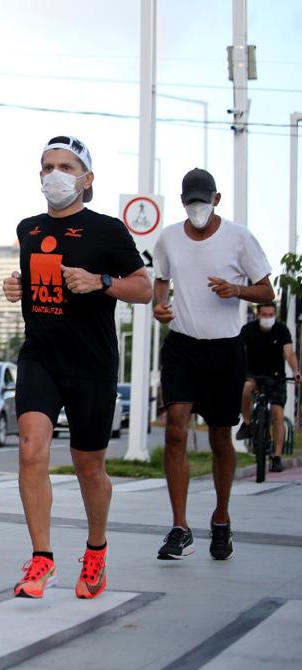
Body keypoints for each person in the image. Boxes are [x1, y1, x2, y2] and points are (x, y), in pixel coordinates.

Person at [3, 136, 151, 599]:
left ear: (87, 179)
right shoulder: (27, 228)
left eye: (66, 166)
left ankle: (96, 551)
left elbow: (144, 288)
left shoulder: (107, 231)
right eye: (47, 166)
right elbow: (38, 283)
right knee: (31, 450)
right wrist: (17, 285)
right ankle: (42, 558)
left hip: (91, 363)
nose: (55, 174)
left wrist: (101, 281)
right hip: (40, 356)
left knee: (89, 468)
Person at [153, 168, 274, 561]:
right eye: (191, 203)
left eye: (203, 202)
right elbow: (161, 279)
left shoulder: (239, 238)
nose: (197, 209)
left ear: (217, 199)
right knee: (175, 431)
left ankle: (221, 519)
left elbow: (266, 290)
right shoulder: (169, 237)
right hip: (183, 347)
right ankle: (179, 527)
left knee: (220, 438)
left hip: (225, 349)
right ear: (183, 202)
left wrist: (236, 289)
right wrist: (160, 306)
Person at [238, 303, 300, 473]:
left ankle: (277, 457)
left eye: (271, 314)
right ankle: (247, 421)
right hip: (253, 374)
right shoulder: (248, 330)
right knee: (246, 388)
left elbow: (289, 353)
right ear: (258, 315)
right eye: (264, 314)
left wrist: (295, 371)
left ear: (275, 314)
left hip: (275, 376)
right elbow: (238, 351)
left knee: (277, 413)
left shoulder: (281, 330)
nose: (268, 318)